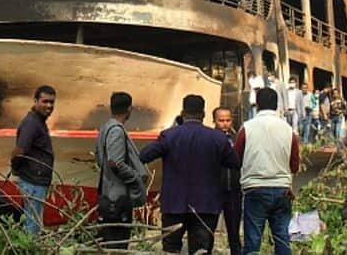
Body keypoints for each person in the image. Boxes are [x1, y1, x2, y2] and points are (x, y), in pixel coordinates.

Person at [139, 95, 240, 254]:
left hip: (174, 204)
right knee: (200, 250)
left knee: (171, 249)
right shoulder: (218, 138)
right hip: (205, 205)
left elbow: (144, 155)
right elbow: (235, 162)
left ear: (183, 112)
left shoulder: (169, 135)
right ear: (204, 114)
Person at [234, 87, 299, 255]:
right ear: (277, 104)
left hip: (255, 190)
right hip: (282, 191)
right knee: (282, 240)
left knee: (253, 242)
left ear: (257, 104)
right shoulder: (288, 129)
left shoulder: (246, 128)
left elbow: (236, 159)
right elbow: (294, 165)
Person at [96, 92, 150, 250]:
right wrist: (135, 177)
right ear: (129, 109)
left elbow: (101, 158)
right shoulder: (116, 131)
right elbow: (115, 162)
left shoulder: (105, 128)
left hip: (108, 194)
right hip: (117, 199)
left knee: (108, 243)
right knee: (118, 244)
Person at [10, 85, 56, 234]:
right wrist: (15, 169)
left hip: (36, 181)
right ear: (36, 101)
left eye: (52, 102)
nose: (49, 106)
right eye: (45, 101)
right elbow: (20, 150)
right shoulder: (31, 123)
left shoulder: (38, 121)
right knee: (33, 225)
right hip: (33, 182)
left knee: (32, 221)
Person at [213, 107, 242, 255]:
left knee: (234, 233)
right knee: (208, 232)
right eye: (221, 120)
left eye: (228, 120)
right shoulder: (210, 139)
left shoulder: (238, 139)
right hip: (214, 190)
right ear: (214, 121)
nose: (225, 123)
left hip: (234, 191)